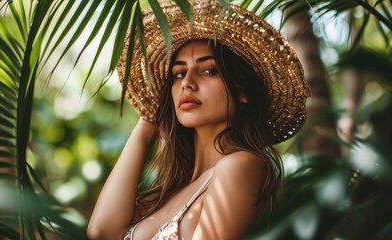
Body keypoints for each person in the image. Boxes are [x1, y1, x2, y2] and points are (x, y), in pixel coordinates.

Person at [88, 0, 309, 239]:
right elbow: (102, 231)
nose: (186, 83)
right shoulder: (168, 192)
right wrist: (149, 120)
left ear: (242, 91)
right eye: (178, 73)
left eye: (208, 70)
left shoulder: (240, 166)